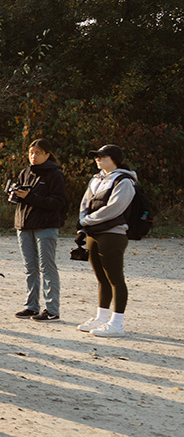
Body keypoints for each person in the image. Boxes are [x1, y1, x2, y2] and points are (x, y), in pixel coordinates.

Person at [75, 144, 137, 338]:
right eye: (97, 156)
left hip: (113, 233)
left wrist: (88, 220)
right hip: (94, 233)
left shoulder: (124, 181)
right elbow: (85, 202)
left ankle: (117, 323)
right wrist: (84, 221)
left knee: (115, 278)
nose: (98, 159)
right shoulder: (96, 179)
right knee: (101, 278)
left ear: (114, 159)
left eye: (102, 156)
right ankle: (101, 318)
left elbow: (115, 207)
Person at [12, 138, 66, 322]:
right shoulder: (25, 172)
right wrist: (16, 195)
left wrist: (30, 197)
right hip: (24, 224)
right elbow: (25, 198)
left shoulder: (55, 174)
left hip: (46, 225)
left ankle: (52, 309)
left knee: (47, 266)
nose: (33, 156)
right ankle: (31, 306)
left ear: (47, 155)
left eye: (38, 153)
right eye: (31, 153)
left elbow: (58, 202)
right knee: (30, 268)